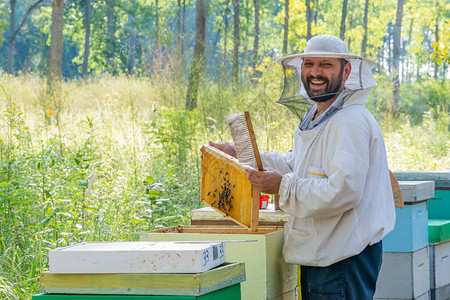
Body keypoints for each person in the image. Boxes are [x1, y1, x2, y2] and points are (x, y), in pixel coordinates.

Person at [209, 35, 396, 299]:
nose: (315, 72)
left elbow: (343, 191)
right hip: (324, 253)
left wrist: (280, 185)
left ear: (346, 70)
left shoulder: (349, 121)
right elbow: (296, 165)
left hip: (343, 258)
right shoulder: (319, 115)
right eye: (309, 64)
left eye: (326, 65)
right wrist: (240, 153)